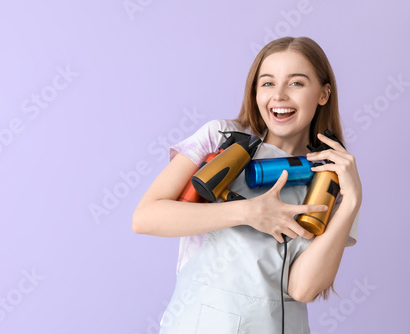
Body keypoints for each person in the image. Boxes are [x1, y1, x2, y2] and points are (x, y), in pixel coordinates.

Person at [132, 36, 362, 333]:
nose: (279, 95)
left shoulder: (334, 175)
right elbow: (145, 218)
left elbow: (303, 289)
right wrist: (249, 212)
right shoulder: (221, 138)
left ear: (323, 93)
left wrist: (353, 201)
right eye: (267, 83)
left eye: (296, 83)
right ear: (255, 91)